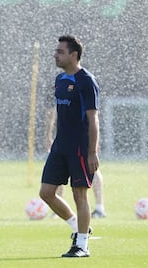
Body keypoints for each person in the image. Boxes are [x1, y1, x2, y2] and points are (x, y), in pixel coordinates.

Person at [40, 35, 100, 258]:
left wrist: (92, 151)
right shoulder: (59, 80)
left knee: (79, 196)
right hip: (60, 145)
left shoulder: (86, 81)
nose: (55, 55)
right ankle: (78, 228)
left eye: (60, 52)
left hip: (79, 148)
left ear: (73, 55)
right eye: (56, 51)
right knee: (46, 192)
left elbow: (93, 119)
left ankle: (82, 246)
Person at [45, 104, 106, 218]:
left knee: (92, 169)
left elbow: (93, 115)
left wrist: (93, 144)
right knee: (57, 171)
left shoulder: (86, 86)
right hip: (62, 135)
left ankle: (99, 207)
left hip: (84, 135)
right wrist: (48, 133)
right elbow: (51, 111)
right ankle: (58, 209)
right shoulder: (54, 87)